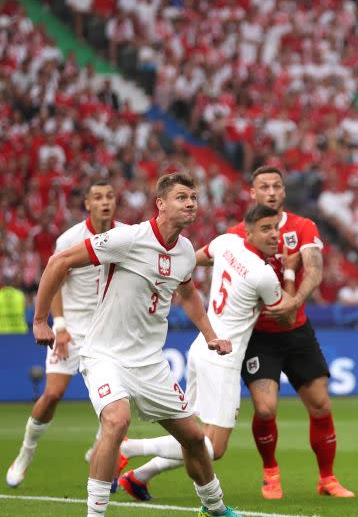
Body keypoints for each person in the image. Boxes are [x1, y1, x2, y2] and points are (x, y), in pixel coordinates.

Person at [31, 173, 241, 517]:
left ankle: (215, 508)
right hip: (105, 355)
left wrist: (210, 334)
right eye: (182, 197)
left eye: (193, 197)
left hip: (150, 363)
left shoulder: (186, 251)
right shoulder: (127, 238)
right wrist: (42, 319)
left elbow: (186, 294)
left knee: (195, 439)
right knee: (116, 420)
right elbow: (59, 262)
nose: (191, 203)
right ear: (160, 203)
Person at [117, 205, 298, 501]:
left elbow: (192, 261)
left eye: (276, 228)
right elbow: (287, 316)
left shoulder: (226, 242)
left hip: (203, 346)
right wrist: (289, 270)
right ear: (248, 231)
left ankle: (139, 478)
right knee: (213, 447)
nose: (274, 235)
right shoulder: (264, 274)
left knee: (194, 434)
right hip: (223, 358)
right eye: (266, 229)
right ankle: (130, 448)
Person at [214, 166, 353, 499]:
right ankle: (270, 472)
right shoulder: (236, 234)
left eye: (277, 185)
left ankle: (327, 479)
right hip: (258, 335)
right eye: (264, 186)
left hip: (297, 330)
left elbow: (314, 268)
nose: (272, 191)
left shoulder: (302, 227)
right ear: (253, 192)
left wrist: (295, 302)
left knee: (320, 404)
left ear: (284, 192)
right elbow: (209, 259)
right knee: (265, 409)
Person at [6, 181, 117, 487]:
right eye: (98, 197)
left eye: (109, 196)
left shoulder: (124, 236)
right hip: (72, 330)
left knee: (116, 400)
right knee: (53, 394)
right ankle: (26, 452)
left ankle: (100, 449)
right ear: (88, 204)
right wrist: (61, 326)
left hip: (108, 333)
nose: (105, 202)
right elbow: (53, 282)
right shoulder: (70, 239)